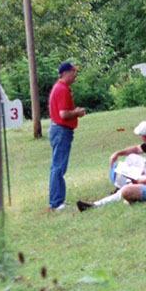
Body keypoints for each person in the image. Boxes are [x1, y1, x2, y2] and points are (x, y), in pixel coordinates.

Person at [76, 120, 146, 211]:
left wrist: (136, 179)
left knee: (126, 190)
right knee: (128, 187)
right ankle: (96, 204)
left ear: (144, 137)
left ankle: (98, 204)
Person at [47, 61, 86, 211]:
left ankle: (56, 201)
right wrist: (77, 112)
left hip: (58, 130)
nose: (75, 75)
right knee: (58, 167)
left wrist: (75, 111)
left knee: (56, 166)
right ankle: (56, 203)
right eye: (72, 72)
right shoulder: (62, 89)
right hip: (61, 131)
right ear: (64, 73)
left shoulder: (60, 87)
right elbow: (63, 114)